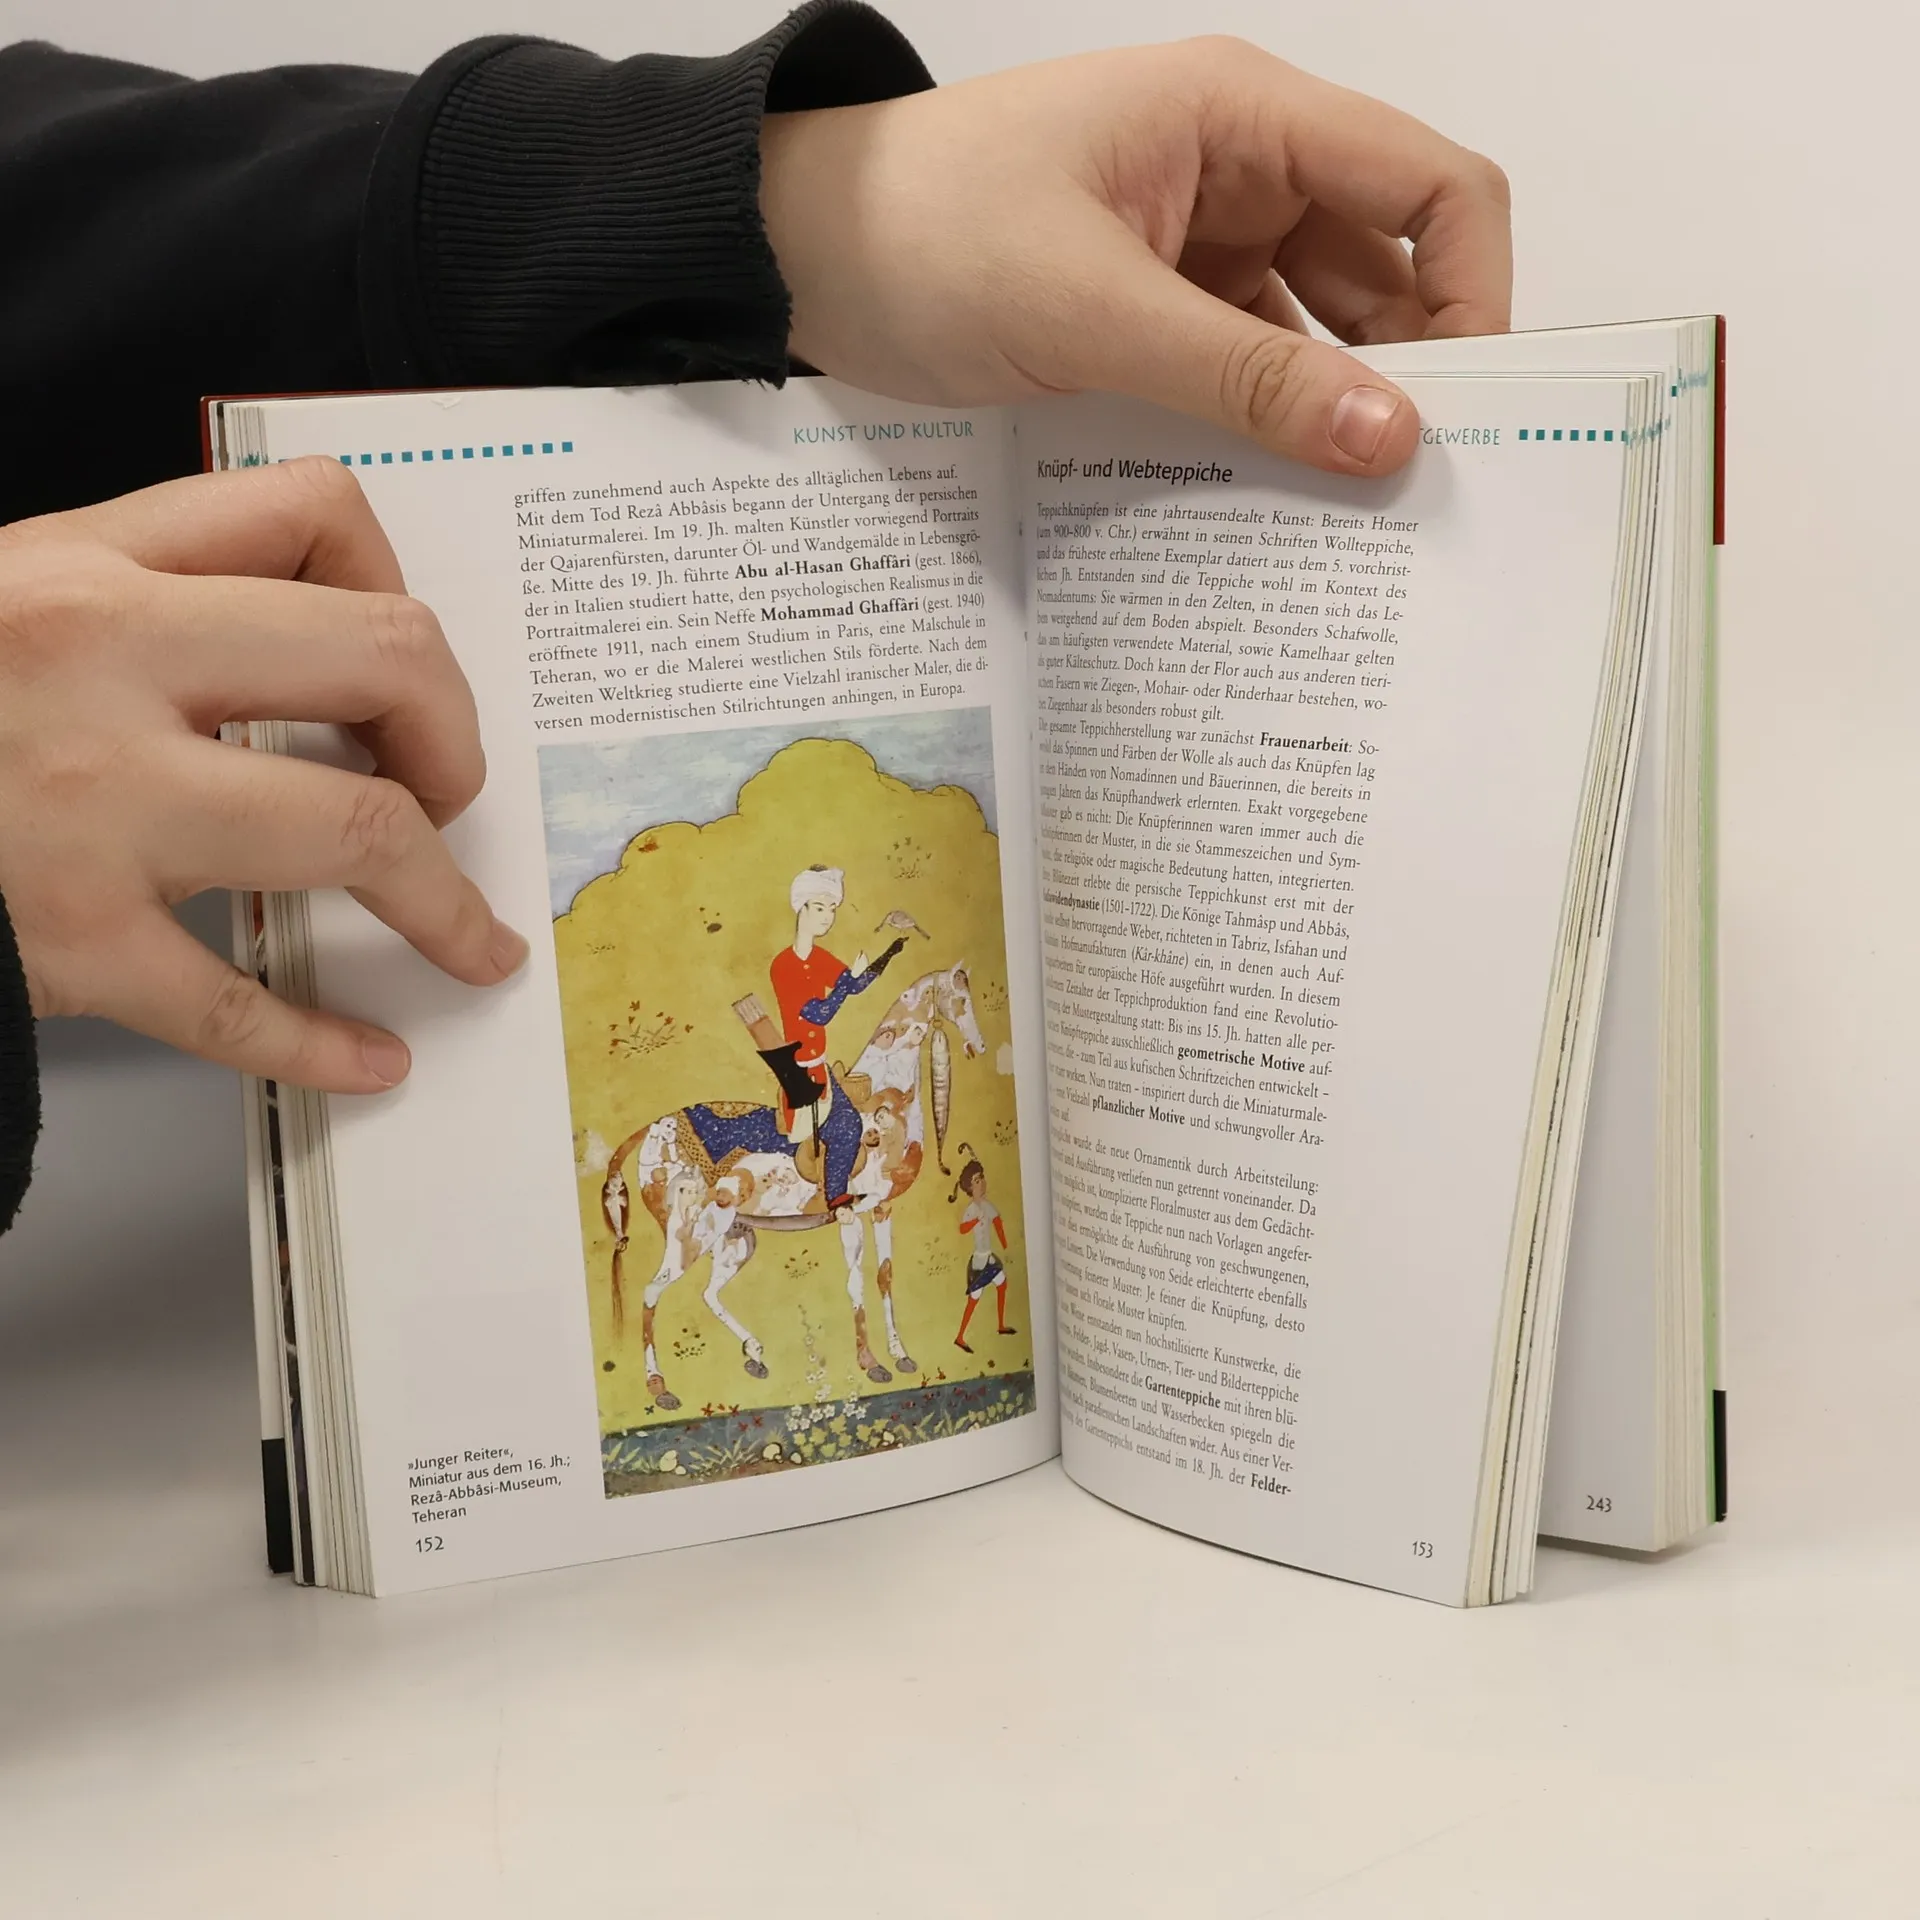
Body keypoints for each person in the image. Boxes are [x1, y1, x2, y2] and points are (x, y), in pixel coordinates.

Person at [0, 4, 1512, 1236]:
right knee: (837, 1126)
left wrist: (780, 200)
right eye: (813, 900)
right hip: (778, 1079)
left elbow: (60, 217)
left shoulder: (820, 955)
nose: (816, 910)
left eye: (819, 901)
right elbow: (808, 1014)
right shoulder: (795, 976)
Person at [767, 866, 902, 1210]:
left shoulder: (819, 957)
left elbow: (853, 984)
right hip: (799, 1070)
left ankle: (836, 1196)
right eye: (819, 907)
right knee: (829, 1128)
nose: (827, 917)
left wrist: (888, 955)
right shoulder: (783, 966)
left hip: (820, 1067)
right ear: (801, 908)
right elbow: (819, 1013)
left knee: (848, 1124)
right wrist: (844, 984)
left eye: (832, 909)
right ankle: (830, 1196)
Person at [951, 1151, 1014, 1353]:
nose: (981, 1183)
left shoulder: (987, 1205)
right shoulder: (972, 1209)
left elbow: (997, 1222)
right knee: (974, 1299)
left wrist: (1005, 1244)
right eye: (976, 1181)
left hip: (989, 1256)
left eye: (982, 1178)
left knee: (1002, 1284)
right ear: (969, 1187)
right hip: (980, 1261)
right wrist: (974, 1221)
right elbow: (962, 1229)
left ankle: (1001, 1325)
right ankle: (960, 1336)